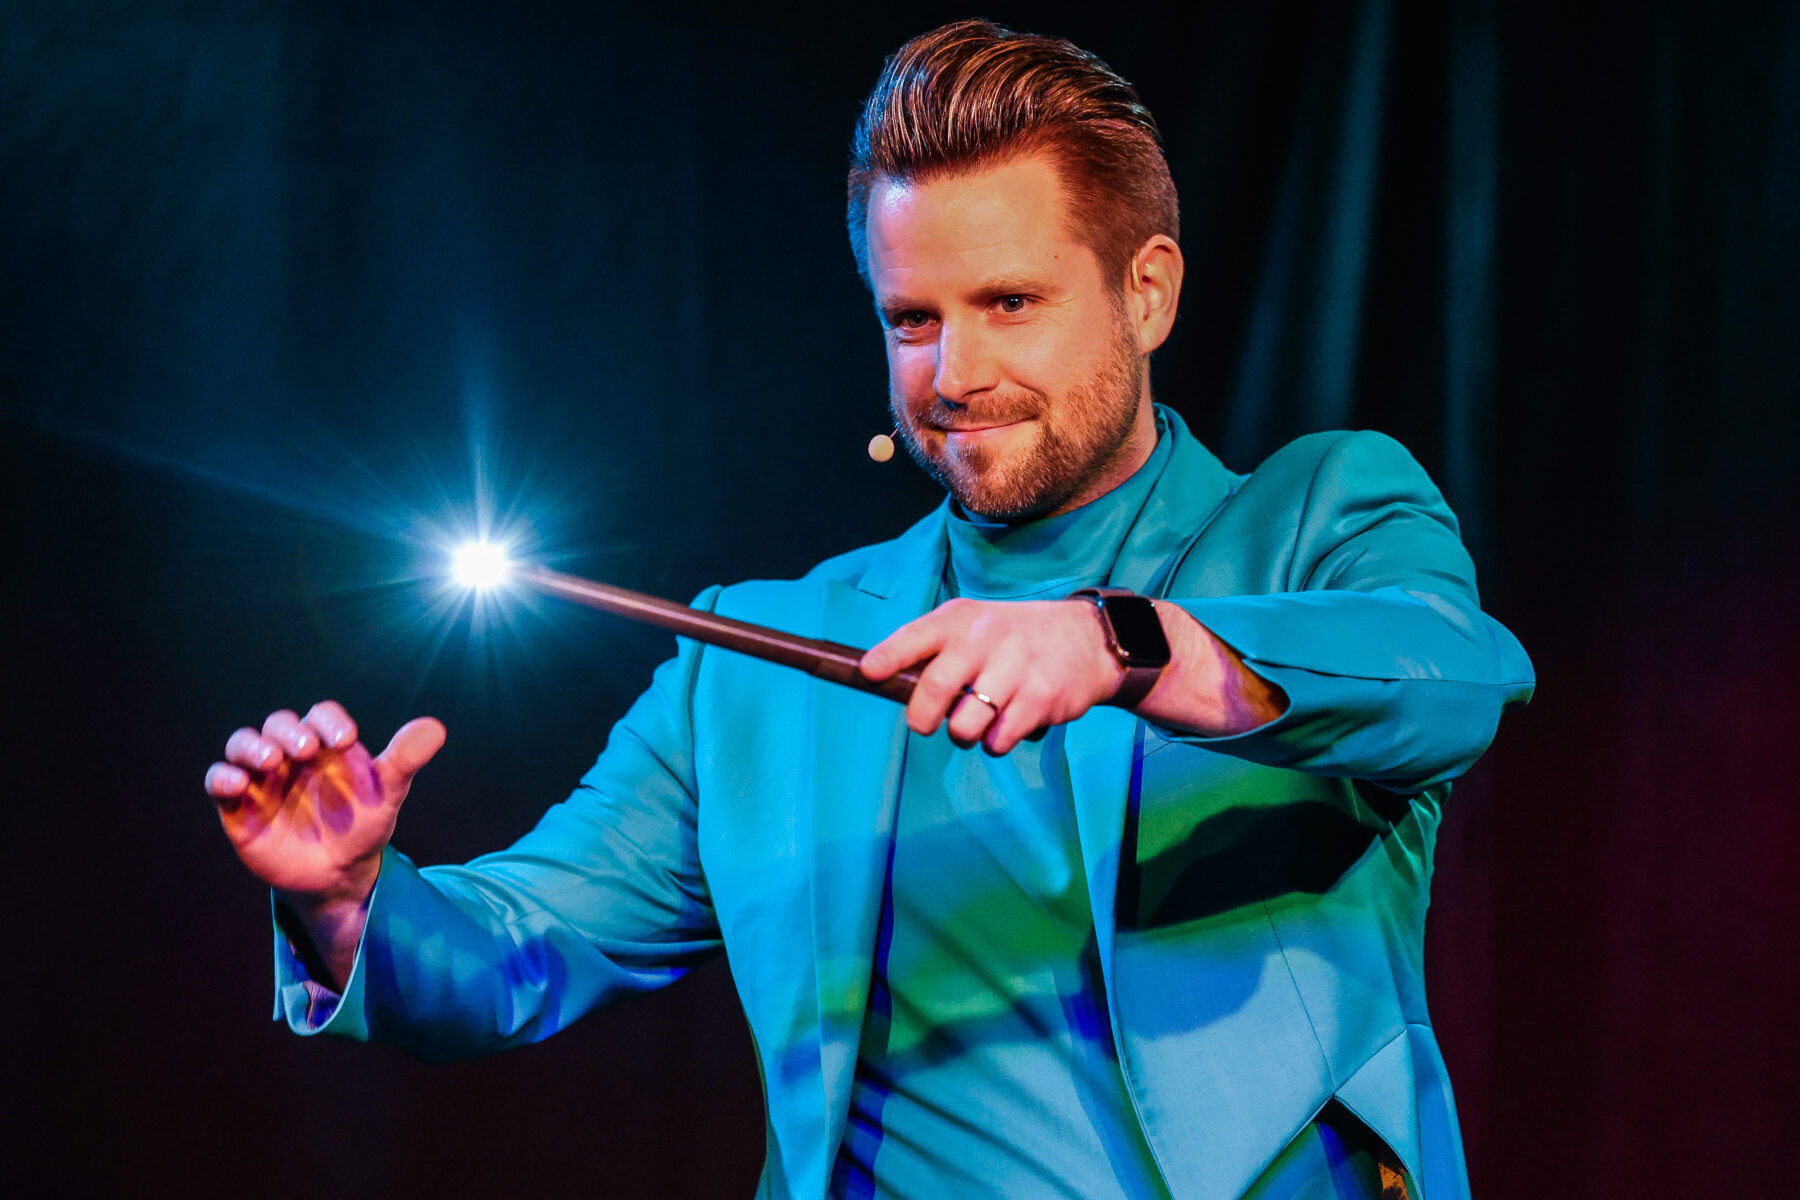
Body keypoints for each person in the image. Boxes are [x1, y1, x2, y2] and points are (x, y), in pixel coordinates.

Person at [207, 20, 1533, 1200]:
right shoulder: (751, 662)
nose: (955, 372)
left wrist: (1120, 642)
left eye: (1010, 302)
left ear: (1148, 292)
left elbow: (1453, 678)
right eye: (912, 319)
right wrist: (349, 905)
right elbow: (515, 955)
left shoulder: (1321, 512)